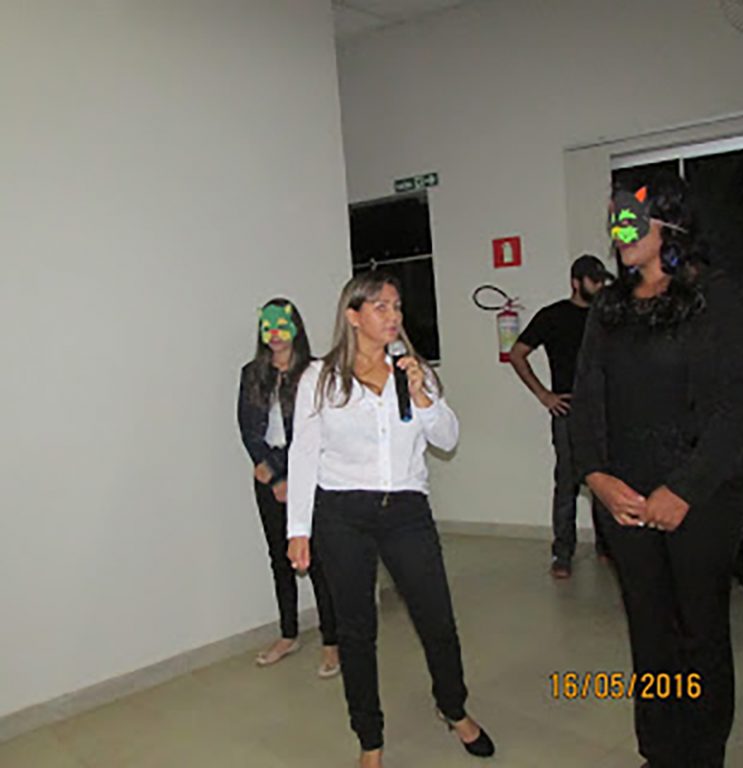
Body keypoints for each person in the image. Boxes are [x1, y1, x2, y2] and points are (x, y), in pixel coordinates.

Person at [570, 174, 743, 768]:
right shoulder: (609, 309)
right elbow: (587, 396)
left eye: (630, 219)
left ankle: (702, 755)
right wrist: (596, 477)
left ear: (670, 224)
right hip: (624, 497)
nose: (618, 231)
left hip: (703, 495)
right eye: (614, 221)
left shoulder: (718, 296)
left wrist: (684, 489)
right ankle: (659, 750)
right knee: (649, 630)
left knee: (698, 631)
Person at [286, 273, 494, 768]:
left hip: (406, 512)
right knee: (357, 631)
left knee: (436, 619)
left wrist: (423, 396)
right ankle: (370, 739)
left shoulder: (413, 370)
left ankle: (454, 708)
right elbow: (304, 453)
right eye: (380, 306)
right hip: (342, 514)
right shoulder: (321, 377)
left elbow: (447, 438)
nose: (393, 315)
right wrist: (298, 529)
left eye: (397, 306)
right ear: (353, 315)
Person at [237, 298, 339, 677]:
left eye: (282, 325)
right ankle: (288, 633)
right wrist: (273, 475)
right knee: (279, 557)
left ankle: (332, 642)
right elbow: (248, 429)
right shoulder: (252, 374)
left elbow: (320, 429)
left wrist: (294, 479)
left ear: (296, 327)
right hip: (268, 474)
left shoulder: (315, 372)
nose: (275, 334)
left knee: (318, 559)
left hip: (308, 473)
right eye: (268, 326)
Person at [509, 254, 612, 578]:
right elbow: (517, 354)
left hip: (604, 410)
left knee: (605, 480)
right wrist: (544, 395)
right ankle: (563, 554)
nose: (600, 286)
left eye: (602, 280)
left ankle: (607, 546)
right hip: (568, 409)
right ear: (576, 282)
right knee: (567, 481)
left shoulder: (607, 316)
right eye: (594, 280)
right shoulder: (553, 316)